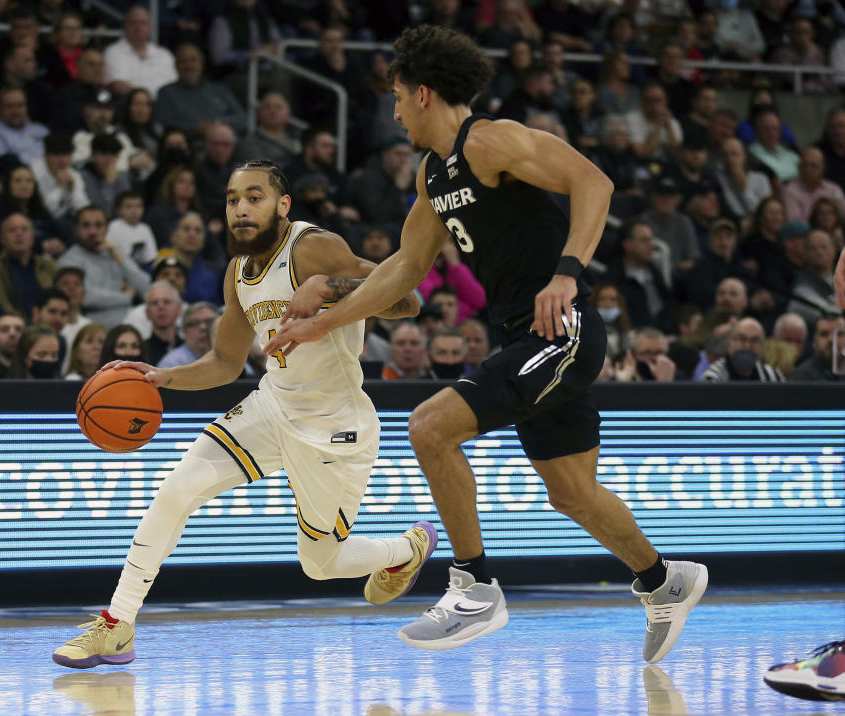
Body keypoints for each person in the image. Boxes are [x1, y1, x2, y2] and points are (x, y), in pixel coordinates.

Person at [266, 25, 707, 656]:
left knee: (429, 427)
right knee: (571, 492)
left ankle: (474, 586)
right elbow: (402, 268)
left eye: (396, 96)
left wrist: (567, 274)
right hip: (520, 336)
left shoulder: (490, 140)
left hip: (562, 326)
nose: (392, 110)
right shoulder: (433, 174)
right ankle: (665, 581)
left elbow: (595, 183)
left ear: (423, 93)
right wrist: (321, 319)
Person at [52, 160, 428, 669]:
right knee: (175, 489)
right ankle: (116, 627)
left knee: (320, 565)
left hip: (334, 428)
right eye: (232, 199)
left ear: (283, 205)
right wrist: (163, 378)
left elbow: (407, 300)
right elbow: (225, 364)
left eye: (255, 197)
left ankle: (404, 549)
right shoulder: (238, 271)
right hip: (272, 405)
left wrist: (325, 287)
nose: (242, 209)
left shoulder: (313, 247)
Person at [58, 206, 151, 328]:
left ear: (107, 229)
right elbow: (86, 297)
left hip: (131, 320)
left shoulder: (114, 252)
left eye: (98, 225)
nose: (93, 231)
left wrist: (122, 261)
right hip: (94, 325)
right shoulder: (69, 260)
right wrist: (127, 296)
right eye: (86, 225)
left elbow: (148, 289)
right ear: (76, 230)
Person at [700, 317, 784, 382]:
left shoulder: (773, 377)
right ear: (729, 344)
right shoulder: (712, 378)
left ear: (762, 347)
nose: (747, 346)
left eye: (755, 340)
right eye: (741, 339)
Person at [157, 301, 218, 369]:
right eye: (194, 323)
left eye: (209, 321)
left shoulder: (229, 356)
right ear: (184, 331)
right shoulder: (171, 364)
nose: (203, 327)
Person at [107, 191, 157, 268]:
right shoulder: (113, 227)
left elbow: (151, 257)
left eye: (138, 206)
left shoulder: (145, 228)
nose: (134, 211)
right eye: (128, 207)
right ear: (118, 210)